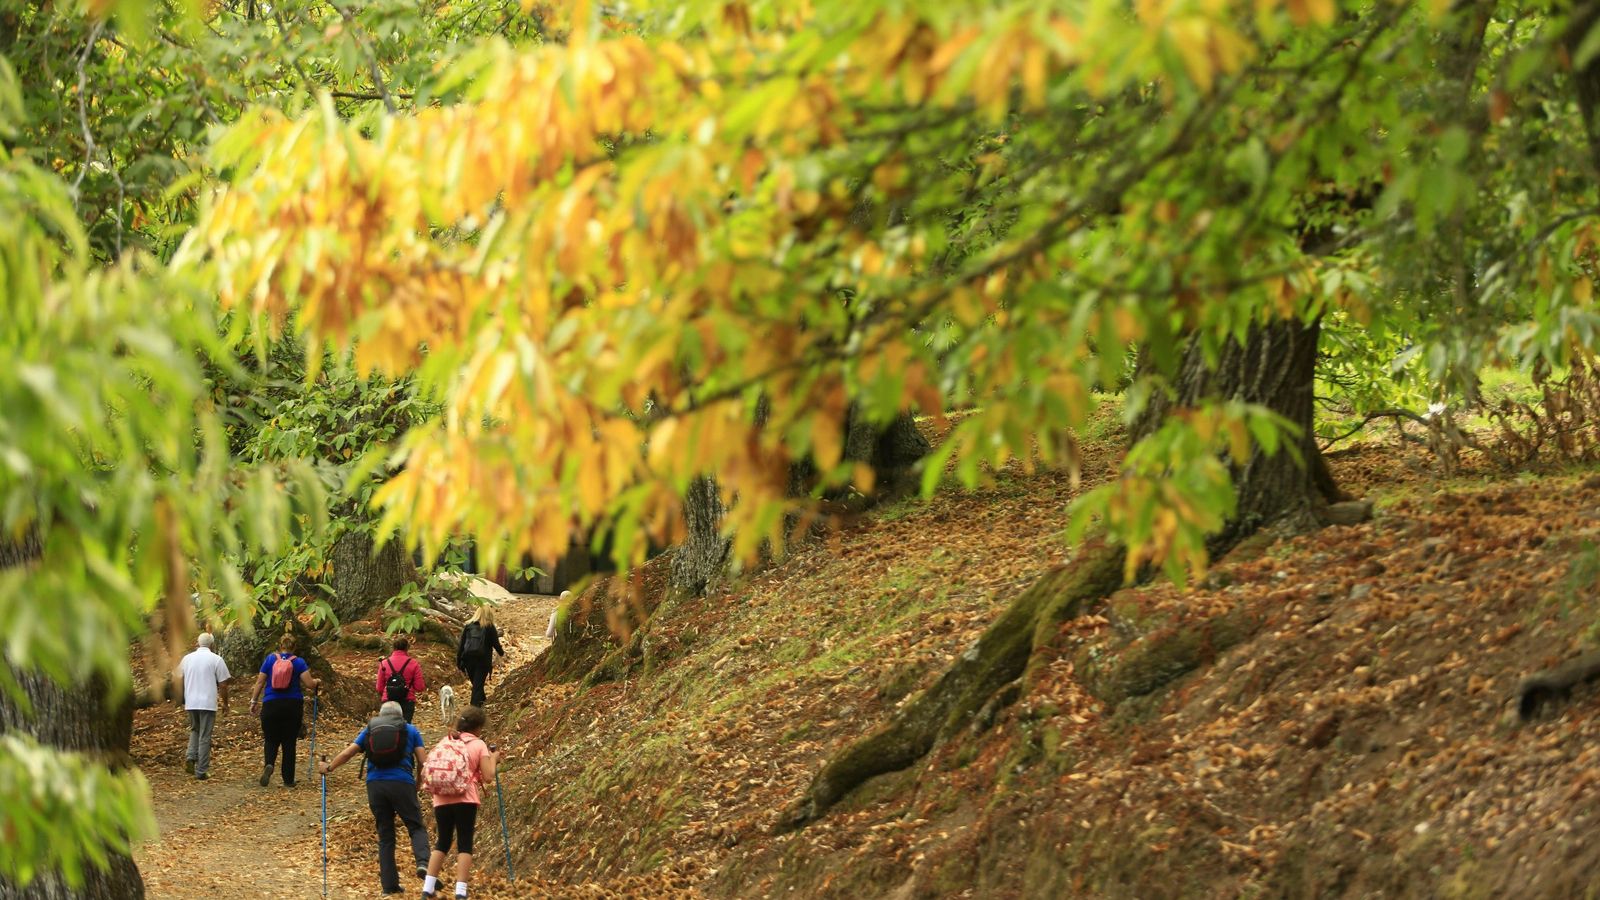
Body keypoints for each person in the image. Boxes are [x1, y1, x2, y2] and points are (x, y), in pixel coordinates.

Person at [318, 701, 431, 895]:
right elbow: (423, 761)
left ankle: (389, 886)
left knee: (385, 835)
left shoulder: (370, 729)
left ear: (381, 715)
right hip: (402, 783)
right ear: (401, 716)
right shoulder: (410, 730)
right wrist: (419, 782)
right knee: (415, 826)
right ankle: (423, 863)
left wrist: (329, 767)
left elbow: (348, 753)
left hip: (375, 785)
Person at [420, 706, 497, 900]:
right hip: (465, 798)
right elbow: (488, 776)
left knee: (442, 841)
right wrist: (494, 759)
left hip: (441, 797)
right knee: (464, 842)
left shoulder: (446, 741)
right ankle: (460, 892)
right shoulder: (478, 744)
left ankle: (427, 888)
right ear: (478, 727)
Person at [249, 633, 320, 787]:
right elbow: (309, 684)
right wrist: (316, 682)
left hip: (271, 704)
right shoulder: (298, 662)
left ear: (280, 646)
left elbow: (260, 682)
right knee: (289, 742)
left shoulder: (270, 660)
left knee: (270, 739)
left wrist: (254, 701)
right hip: (292, 706)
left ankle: (269, 764)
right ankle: (288, 780)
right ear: (294, 647)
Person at [178, 633, 231, 781]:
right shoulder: (216, 659)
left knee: (195, 729)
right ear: (212, 645)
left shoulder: (187, 658)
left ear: (197, 643)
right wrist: (225, 703)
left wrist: (182, 695)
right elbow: (223, 684)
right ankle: (201, 770)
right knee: (205, 735)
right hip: (207, 703)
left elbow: (177, 676)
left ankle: (190, 756)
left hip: (191, 701)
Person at [455, 607, 505, 707]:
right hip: (483, 661)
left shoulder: (469, 626)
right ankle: (474, 710)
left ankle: (482, 703)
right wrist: (502, 653)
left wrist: (459, 661)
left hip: (468, 660)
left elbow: (462, 645)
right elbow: (496, 644)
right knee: (477, 686)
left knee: (477, 685)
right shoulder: (489, 627)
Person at [376, 637, 426, 722]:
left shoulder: (384, 663)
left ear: (393, 647)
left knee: (388, 727)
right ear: (407, 648)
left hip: (388, 701)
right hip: (407, 701)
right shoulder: (414, 664)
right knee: (405, 727)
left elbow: (379, 688)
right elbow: (419, 687)